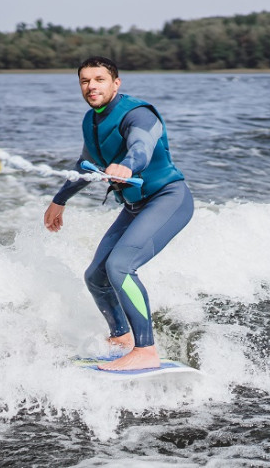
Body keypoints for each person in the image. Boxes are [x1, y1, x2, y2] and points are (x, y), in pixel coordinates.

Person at [44, 56, 193, 371]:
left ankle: (145, 349)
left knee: (120, 267)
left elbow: (143, 144)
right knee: (96, 277)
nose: (91, 86)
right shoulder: (91, 120)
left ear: (116, 83)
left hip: (167, 199)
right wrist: (60, 199)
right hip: (134, 206)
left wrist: (128, 163)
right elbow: (84, 165)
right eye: (85, 81)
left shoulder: (139, 113)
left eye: (99, 79)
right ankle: (122, 338)